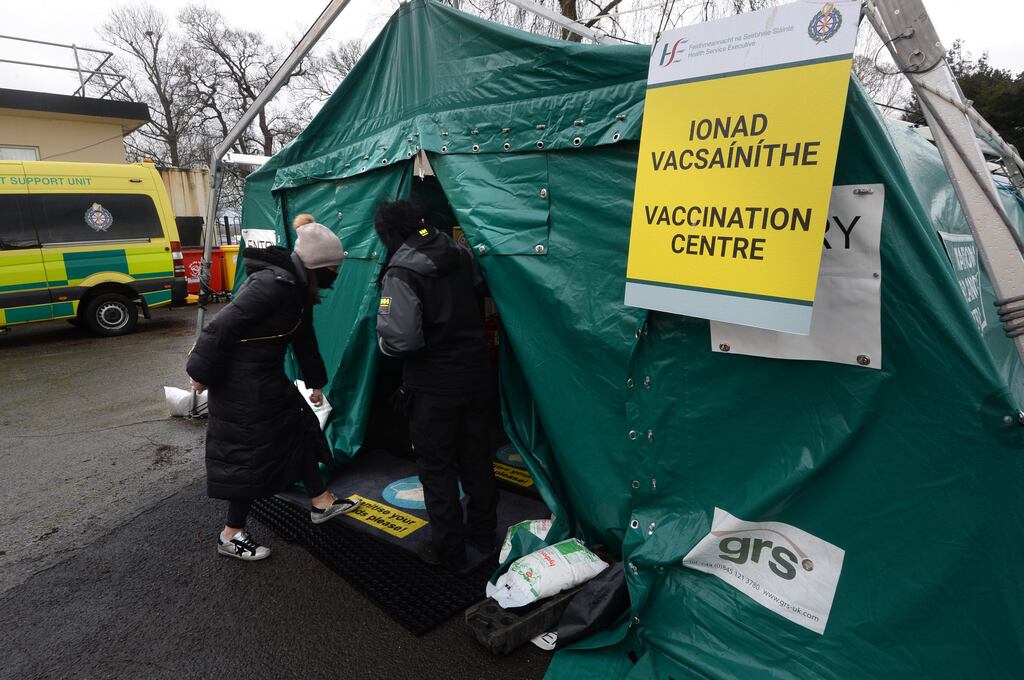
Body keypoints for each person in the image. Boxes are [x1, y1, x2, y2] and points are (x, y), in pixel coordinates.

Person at [187, 222, 360, 561]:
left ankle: (321, 501)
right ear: (317, 266)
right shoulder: (272, 285)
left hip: (264, 376)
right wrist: (199, 374)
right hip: (240, 384)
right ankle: (230, 535)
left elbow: (304, 337)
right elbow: (220, 328)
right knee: (249, 454)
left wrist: (316, 383)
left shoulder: (297, 286)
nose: (336, 274)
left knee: (299, 431)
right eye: (334, 268)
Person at [374, 200, 498, 569]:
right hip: (476, 375)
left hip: (432, 386)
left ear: (391, 233)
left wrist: (383, 342)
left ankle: (449, 550)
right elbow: (480, 293)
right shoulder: (460, 253)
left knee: (438, 468)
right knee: (477, 458)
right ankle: (484, 533)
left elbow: (401, 340)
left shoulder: (400, 271)